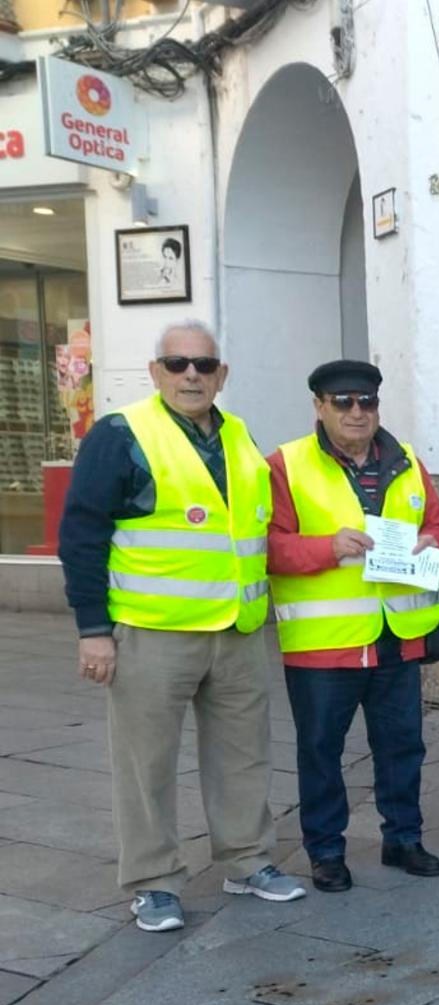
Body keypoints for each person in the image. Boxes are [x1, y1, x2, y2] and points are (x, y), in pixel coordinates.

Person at [57, 319, 305, 932]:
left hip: (237, 630)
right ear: (155, 372)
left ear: (222, 374)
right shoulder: (121, 435)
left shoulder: (240, 436)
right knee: (146, 764)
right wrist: (93, 629)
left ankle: (247, 861)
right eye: (176, 364)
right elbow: (82, 535)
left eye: (202, 364)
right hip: (152, 630)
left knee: (244, 757)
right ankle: (154, 882)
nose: (190, 374)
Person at [268, 360, 439, 892]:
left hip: (399, 633)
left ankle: (404, 839)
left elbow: (436, 526)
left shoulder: (408, 460)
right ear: (319, 407)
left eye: (366, 402)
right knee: (321, 750)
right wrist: (327, 547)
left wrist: (432, 542)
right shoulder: (285, 464)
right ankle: (325, 851)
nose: (356, 412)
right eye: (342, 402)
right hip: (324, 644)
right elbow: (267, 546)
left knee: (403, 745)